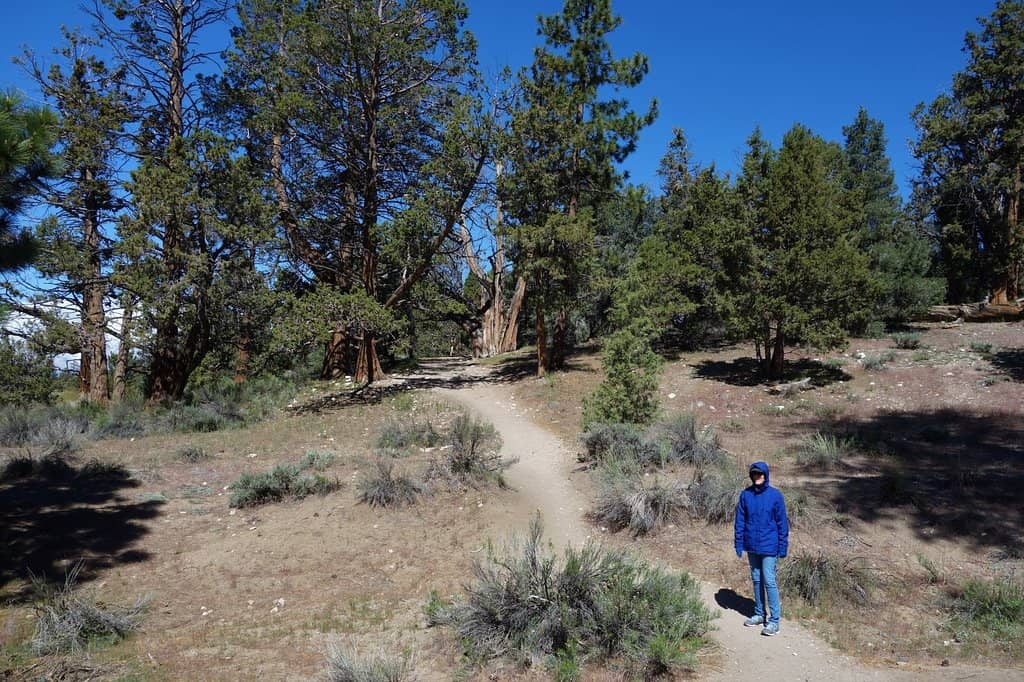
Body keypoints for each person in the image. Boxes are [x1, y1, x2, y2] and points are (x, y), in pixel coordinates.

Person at [734, 460, 789, 636]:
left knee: (769, 580)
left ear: (766, 475)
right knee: (756, 579)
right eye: (754, 474)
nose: (757, 476)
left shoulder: (775, 496)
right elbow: (740, 521)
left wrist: (783, 545)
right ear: (751, 475)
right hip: (752, 545)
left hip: (769, 546)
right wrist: (738, 542)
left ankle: (774, 621)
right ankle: (759, 614)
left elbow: (782, 523)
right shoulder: (745, 495)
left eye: (760, 474)